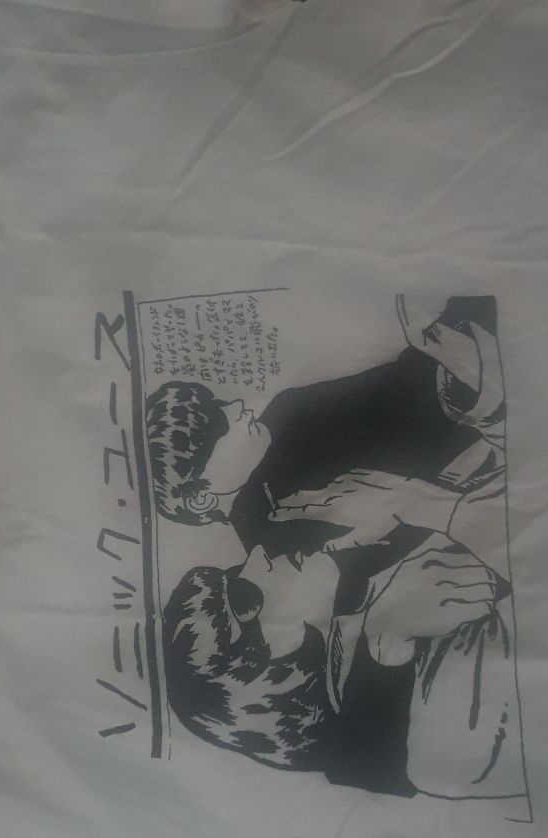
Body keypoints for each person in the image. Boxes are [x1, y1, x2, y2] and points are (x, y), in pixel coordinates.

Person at [145, 298, 493, 569]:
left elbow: (395, 384)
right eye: (222, 428)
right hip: (474, 486)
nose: (238, 405)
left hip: (462, 400)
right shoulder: (271, 545)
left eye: (222, 403)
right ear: (201, 497)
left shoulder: (284, 410)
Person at [162, 537, 496, 795]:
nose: (258, 553)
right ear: (277, 680)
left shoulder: (371, 587)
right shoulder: (449, 731)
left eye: (237, 571)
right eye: (246, 599)